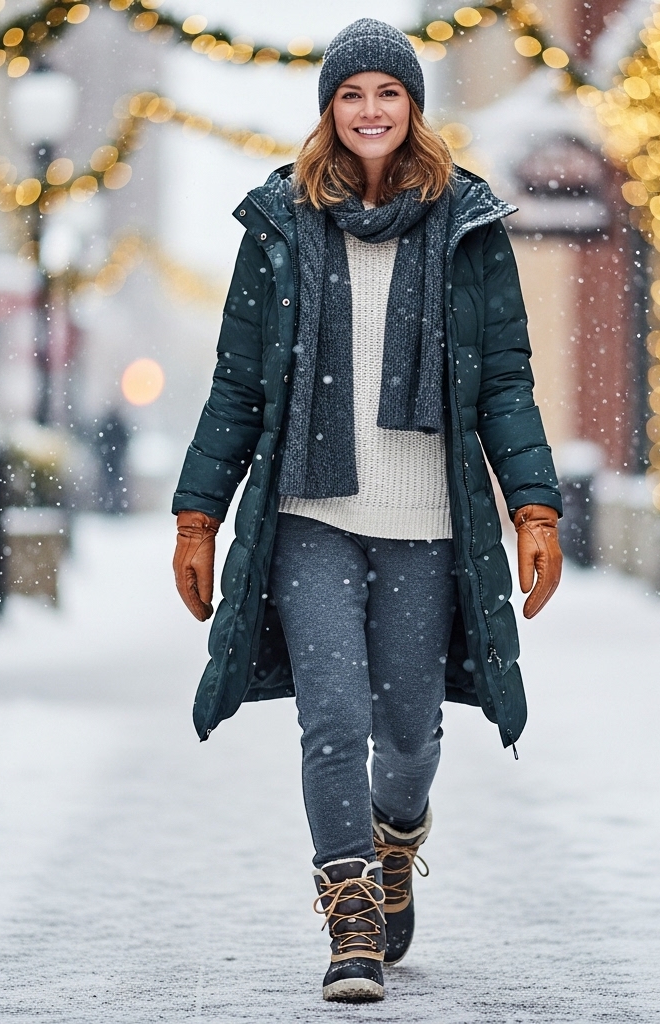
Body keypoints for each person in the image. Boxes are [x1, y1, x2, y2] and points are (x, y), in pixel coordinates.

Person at [171, 18, 563, 1004]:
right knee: (333, 719)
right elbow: (237, 387)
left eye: (387, 94)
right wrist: (196, 515)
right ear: (328, 111)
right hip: (309, 516)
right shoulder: (281, 223)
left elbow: (505, 381)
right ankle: (349, 908)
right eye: (352, 96)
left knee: (411, 731)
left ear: (413, 108)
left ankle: (396, 837)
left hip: (429, 522)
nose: (370, 111)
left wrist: (534, 507)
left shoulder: (464, 222)